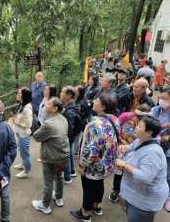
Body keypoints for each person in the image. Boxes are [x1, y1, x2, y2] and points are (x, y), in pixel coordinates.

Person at [70, 93, 120, 222]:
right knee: (99, 184)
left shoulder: (95, 125)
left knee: (88, 188)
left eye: (97, 100)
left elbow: (91, 149)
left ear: (103, 106)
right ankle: (97, 206)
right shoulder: (114, 119)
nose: (94, 101)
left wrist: (82, 164)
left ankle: (85, 213)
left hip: (93, 165)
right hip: (107, 163)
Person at [116, 115, 169, 222]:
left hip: (145, 201)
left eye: (140, 126)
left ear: (149, 132)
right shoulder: (140, 140)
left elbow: (145, 177)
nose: (136, 128)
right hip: (135, 194)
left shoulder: (153, 152)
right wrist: (124, 148)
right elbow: (132, 148)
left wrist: (124, 165)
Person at [32, 97, 70, 214]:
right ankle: (58, 198)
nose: (45, 105)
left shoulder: (48, 124)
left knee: (48, 181)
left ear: (54, 109)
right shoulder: (63, 119)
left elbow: (36, 136)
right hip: (63, 155)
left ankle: (45, 205)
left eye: (48, 104)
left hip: (51, 157)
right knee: (59, 177)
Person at [109, 104, 151, 203]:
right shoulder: (125, 117)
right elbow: (116, 130)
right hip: (123, 148)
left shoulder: (149, 125)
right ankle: (116, 190)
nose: (139, 122)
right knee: (119, 171)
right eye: (139, 118)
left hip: (138, 151)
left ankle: (130, 194)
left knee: (132, 172)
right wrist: (123, 142)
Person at [151, 87, 170, 212]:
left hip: (168, 148)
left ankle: (168, 198)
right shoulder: (155, 110)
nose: (161, 100)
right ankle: (154, 193)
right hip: (156, 145)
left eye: (165, 98)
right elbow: (150, 124)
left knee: (168, 173)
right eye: (160, 98)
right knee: (154, 170)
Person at [60, 86, 81, 184]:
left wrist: (64, 140)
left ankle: (67, 177)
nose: (61, 94)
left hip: (68, 137)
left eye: (62, 92)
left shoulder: (70, 110)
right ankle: (72, 171)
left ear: (69, 95)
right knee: (69, 154)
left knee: (66, 156)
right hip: (71, 137)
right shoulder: (70, 106)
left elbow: (69, 128)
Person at [12, 87, 33, 179]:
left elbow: (28, 124)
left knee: (25, 153)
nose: (17, 94)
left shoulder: (27, 108)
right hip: (20, 133)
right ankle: (22, 164)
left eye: (19, 93)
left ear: (24, 95)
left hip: (24, 134)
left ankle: (26, 171)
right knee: (21, 150)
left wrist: (16, 122)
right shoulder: (22, 105)